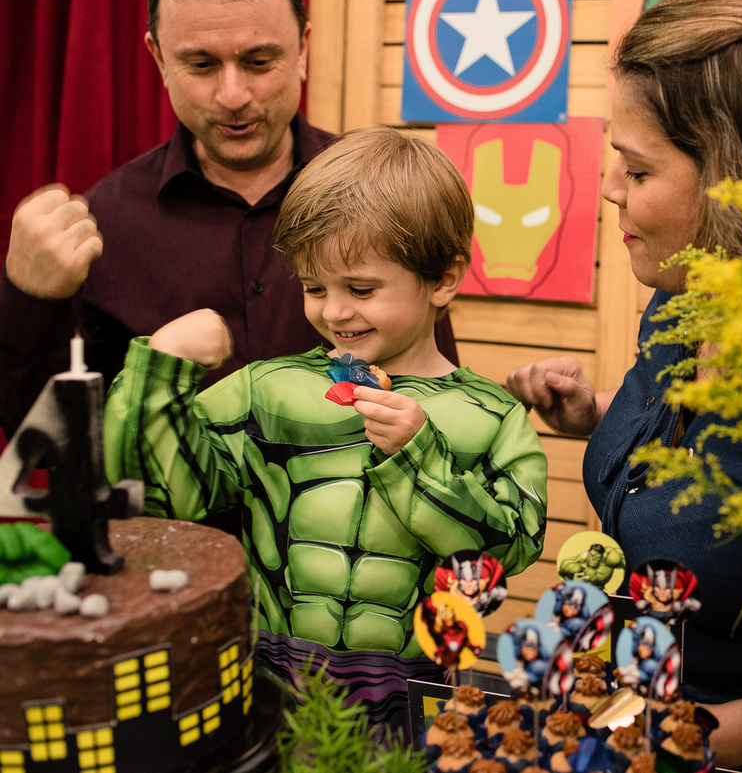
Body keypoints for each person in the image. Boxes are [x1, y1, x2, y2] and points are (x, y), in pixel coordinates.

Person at [505, 0, 742, 768]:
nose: (610, 188)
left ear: (737, 183)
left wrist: (693, 731)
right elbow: (713, 462)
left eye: (637, 170)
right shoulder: (685, 303)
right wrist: (600, 411)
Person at [104, 127, 548, 735]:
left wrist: (420, 456)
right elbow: (160, 502)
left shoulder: (494, 416)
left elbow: (511, 547)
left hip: (418, 686)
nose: (333, 311)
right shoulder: (267, 390)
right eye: (314, 288)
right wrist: (158, 371)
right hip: (263, 675)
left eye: (360, 289)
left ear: (443, 279)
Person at [0, 0, 456, 440]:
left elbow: (442, 397)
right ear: (158, 57)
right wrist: (28, 298)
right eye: (200, 64)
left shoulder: (385, 197)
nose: (233, 96)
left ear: (302, 48)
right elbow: (48, 439)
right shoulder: (107, 221)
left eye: (259, 61)